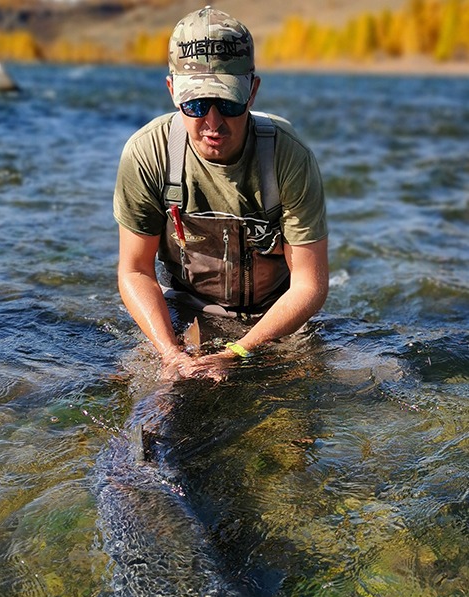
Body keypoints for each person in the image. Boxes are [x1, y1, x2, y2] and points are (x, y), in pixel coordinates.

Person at [114, 5, 328, 380]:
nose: (213, 122)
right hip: (185, 307)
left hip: (274, 315)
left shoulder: (289, 156)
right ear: (172, 91)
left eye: (228, 103)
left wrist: (239, 352)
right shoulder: (148, 152)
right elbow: (135, 270)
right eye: (196, 105)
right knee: (156, 402)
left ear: (252, 92)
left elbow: (309, 285)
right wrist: (171, 354)